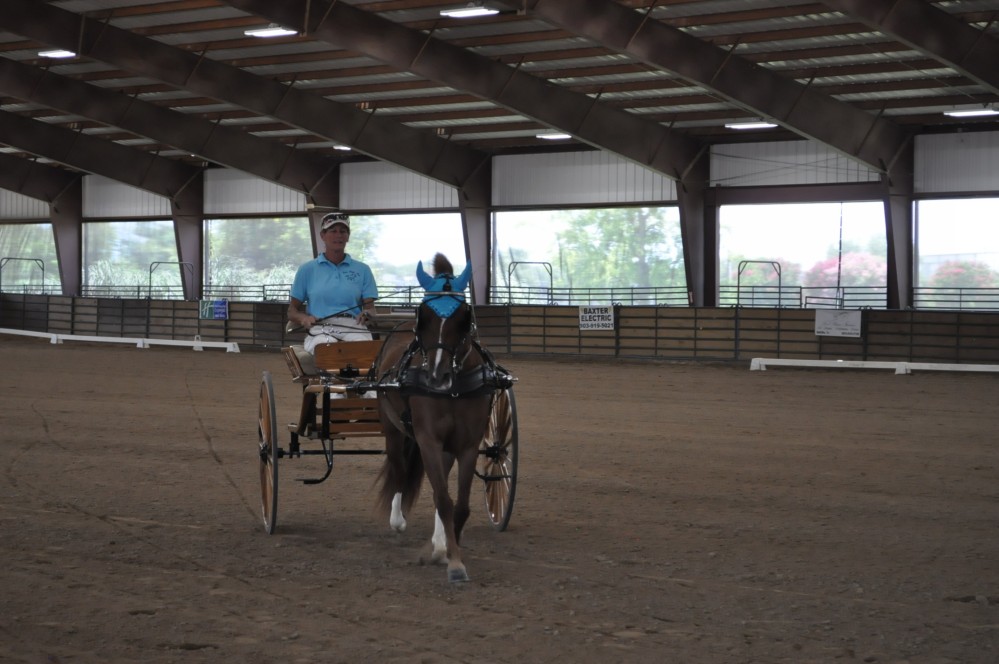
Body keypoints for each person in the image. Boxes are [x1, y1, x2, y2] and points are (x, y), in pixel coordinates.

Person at [288, 212, 378, 359]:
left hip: (353, 326)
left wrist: (368, 314)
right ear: (322, 235)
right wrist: (304, 318)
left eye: (343, 231)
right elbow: (292, 311)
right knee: (326, 348)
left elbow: (371, 309)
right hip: (320, 327)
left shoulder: (363, 270)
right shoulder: (307, 270)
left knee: (364, 349)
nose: (339, 235)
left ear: (348, 236)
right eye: (333, 231)